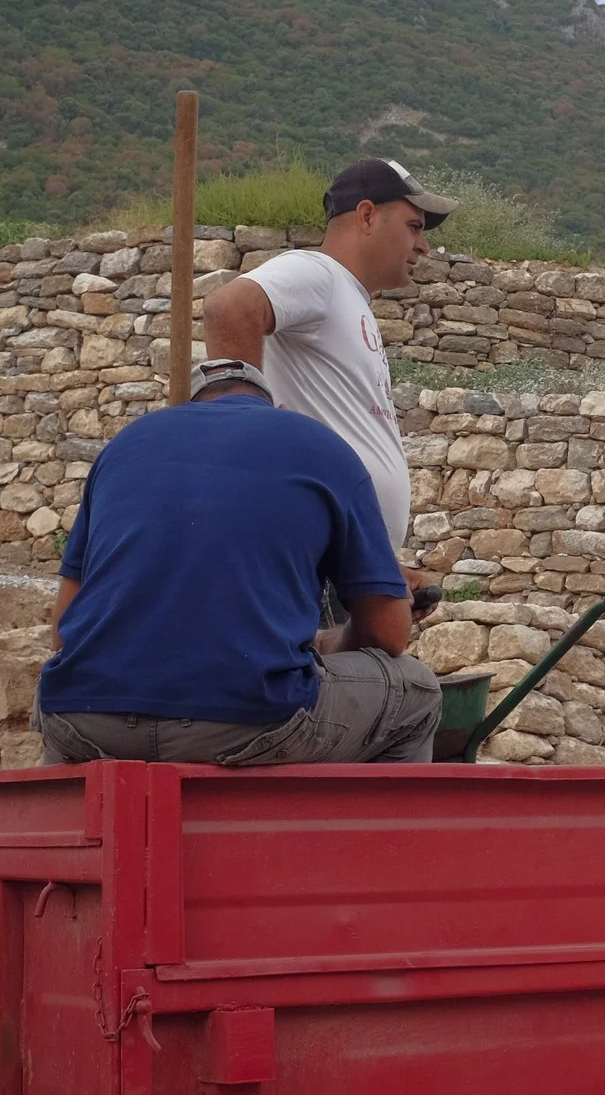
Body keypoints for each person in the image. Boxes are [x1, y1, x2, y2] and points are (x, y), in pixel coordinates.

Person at [34, 358, 441, 766]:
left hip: (79, 717)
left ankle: (70, 822)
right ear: (275, 408)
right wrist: (361, 623)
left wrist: (323, 642)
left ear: (188, 407)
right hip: (246, 718)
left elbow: (62, 633)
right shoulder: (316, 443)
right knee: (418, 694)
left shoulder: (123, 446)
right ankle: (348, 830)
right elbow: (388, 633)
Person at [199, 157, 454, 554]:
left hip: (340, 559)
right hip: (313, 551)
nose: (423, 246)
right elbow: (230, 308)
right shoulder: (318, 273)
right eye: (414, 227)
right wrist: (243, 424)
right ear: (367, 215)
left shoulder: (347, 297)